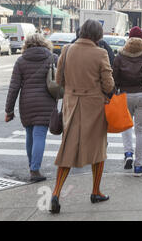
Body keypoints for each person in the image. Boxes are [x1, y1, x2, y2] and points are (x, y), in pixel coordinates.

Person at [50, 20, 115, 214]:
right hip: (93, 106)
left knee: (67, 149)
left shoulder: (67, 50)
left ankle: (55, 193)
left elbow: (59, 80)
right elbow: (109, 85)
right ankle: (96, 191)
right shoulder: (101, 53)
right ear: (98, 35)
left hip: (71, 105)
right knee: (98, 149)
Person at [5, 34, 57, 183]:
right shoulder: (52, 58)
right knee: (39, 135)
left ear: (26, 45)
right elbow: (61, 80)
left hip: (27, 103)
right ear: (44, 43)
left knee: (30, 135)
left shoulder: (21, 61)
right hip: (46, 102)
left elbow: (14, 88)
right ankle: (35, 169)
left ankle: (32, 167)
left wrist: (9, 110)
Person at [113, 27, 142, 177]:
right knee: (141, 130)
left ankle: (128, 152)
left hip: (125, 94)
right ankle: (139, 166)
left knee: (126, 125)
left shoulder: (120, 55)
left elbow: (114, 77)